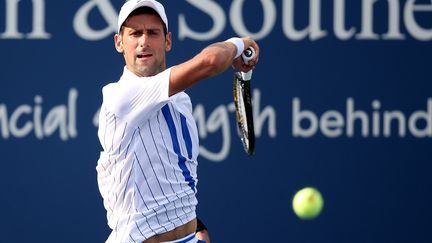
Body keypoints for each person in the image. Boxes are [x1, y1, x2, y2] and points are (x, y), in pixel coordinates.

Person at [96, 0, 259, 242]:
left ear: (168, 41)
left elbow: (173, 173)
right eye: (135, 33)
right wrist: (240, 43)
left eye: (152, 33)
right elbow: (211, 62)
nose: (143, 41)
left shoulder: (180, 100)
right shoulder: (119, 96)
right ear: (119, 43)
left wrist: (197, 231)